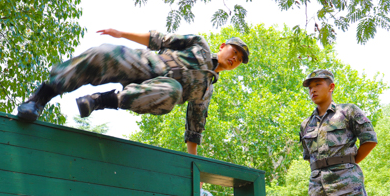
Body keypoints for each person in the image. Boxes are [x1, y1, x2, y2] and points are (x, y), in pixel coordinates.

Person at [16, 29, 249, 155]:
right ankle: (39, 99)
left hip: (155, 90)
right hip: (146, 64)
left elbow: (194, 128)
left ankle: (102, 100)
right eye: (234, 52)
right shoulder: (199, 44)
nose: (234, 59)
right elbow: (158, 39)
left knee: (172, 91)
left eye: (238, 60)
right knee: (103, 53)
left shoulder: (205, 91)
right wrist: (121, 34)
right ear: (222, 47)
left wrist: (194, 165)